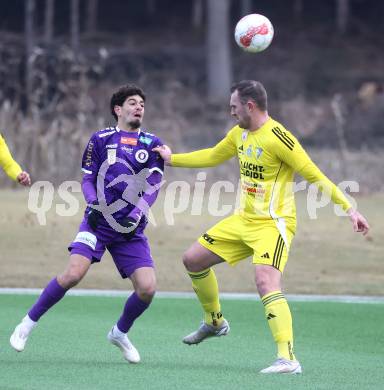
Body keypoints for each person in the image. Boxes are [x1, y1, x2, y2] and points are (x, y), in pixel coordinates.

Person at [153, 80, 370, 374]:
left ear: (250, 106)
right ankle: (215, 322)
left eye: (234, 107)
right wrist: (172, 160)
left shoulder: (279, 138)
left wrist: (349, 208)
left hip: (274, 224)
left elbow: (314, 174)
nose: (231, 113)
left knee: (266, 281)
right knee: (193, 259)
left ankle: (288, 358)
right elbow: (213, 155)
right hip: (243, 220)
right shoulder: (239, 133)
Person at [10, 84, 164, 364]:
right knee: (72, 275)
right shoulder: (100, 139)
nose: (139, 107)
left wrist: (138, 213)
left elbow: (154, 185)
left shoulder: (153, 144)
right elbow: (88, 178)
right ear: (118, 110)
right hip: (98, 222)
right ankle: (27, 323)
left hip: (130, 229)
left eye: (142, 103)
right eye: (132, 102)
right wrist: (93, 204)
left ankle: (119, 333)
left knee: (148, 288)